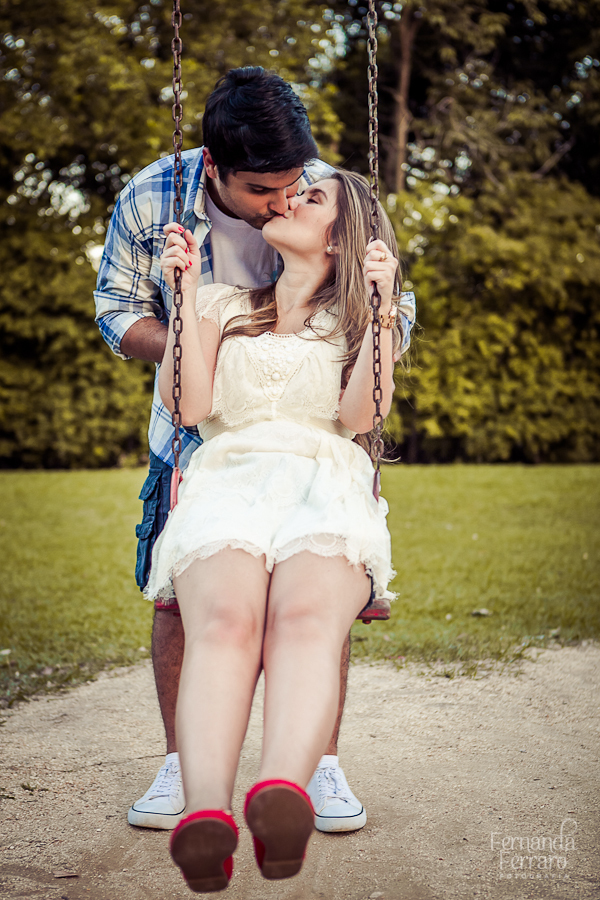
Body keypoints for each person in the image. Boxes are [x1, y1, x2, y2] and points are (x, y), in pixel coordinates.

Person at [94, 67, 410, 834]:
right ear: (213, 168)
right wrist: (199, 330)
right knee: (196, 608)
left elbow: (380, 337)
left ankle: (313, 765)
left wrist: (370, 313)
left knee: (310, 605)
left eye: (296, 190)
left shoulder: (323, 193)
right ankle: (189, 769)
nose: (283, 202)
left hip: (319, 452)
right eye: (263, 191)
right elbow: (118, 313)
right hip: (209, 447)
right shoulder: (155, 201)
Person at [147, 167, 415, 891]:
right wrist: (182, 295)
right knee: (224, 625)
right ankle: (207, 815)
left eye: (313, 197)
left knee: (303, 624)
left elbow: (360, 417)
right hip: (228, 482)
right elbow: (190, 406)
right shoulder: (222, 303)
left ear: (341, 238)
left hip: (324, 484)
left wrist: (382, 310)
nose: (292, 198)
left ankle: (281, 796)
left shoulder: (360, 318)